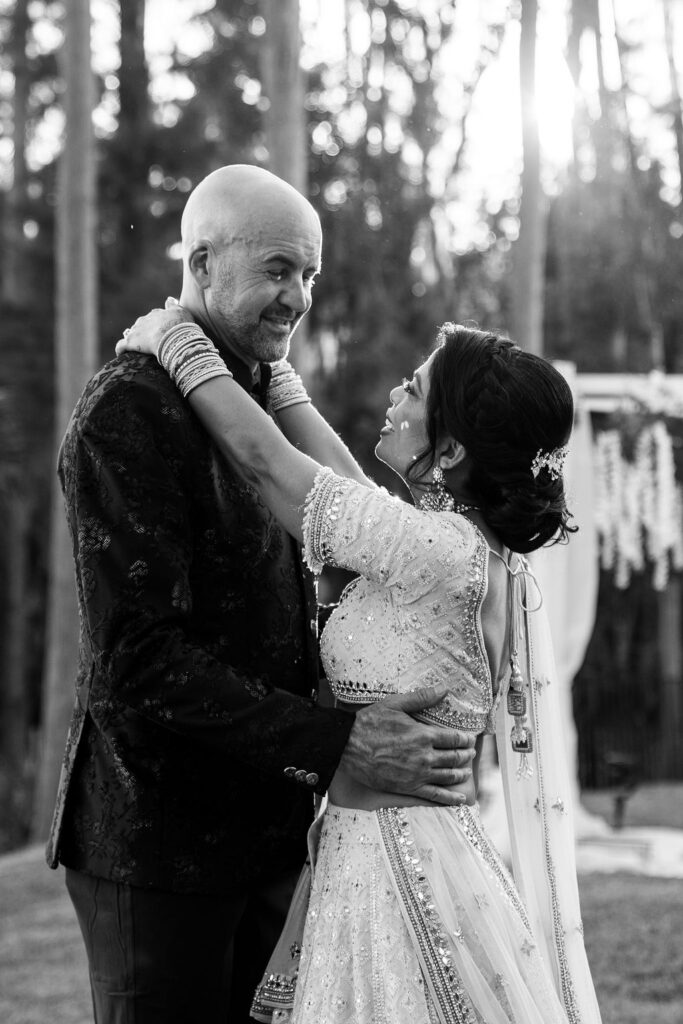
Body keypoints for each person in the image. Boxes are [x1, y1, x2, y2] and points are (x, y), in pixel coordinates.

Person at [45, 164, 476, 1024]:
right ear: (203, 263)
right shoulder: (128, 411)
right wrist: (337, 741)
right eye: (278, 270)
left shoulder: (253, 400)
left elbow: (341, 526)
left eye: (309, 274)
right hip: (160, 846)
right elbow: (139, 660)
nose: (299, 298)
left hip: (276, 837)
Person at [116, 313, 604, 1024]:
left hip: (397, 875)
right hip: (403, 854)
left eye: (414, 390)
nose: (396, 395)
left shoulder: (438, 554)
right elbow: (352, 492)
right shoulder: (463, 551)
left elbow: (265, 462)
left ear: (451, 448)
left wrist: (175, 339)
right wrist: (276, 375)